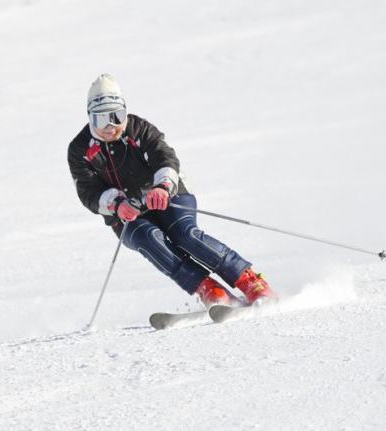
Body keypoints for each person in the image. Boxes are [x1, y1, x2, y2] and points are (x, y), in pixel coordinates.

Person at [67, 74, 276, 308]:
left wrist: (163, 186)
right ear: (89, 118)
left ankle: (249, 281)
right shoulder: (79, 149)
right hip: (126, 215)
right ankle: (209, 290)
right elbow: (88, 191)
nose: (110, 127)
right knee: (150, 240)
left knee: (185, 235)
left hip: (168, 197)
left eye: (117, 116)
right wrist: (116, 205)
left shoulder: (138, 129)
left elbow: (164, 156)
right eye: (101, 119)